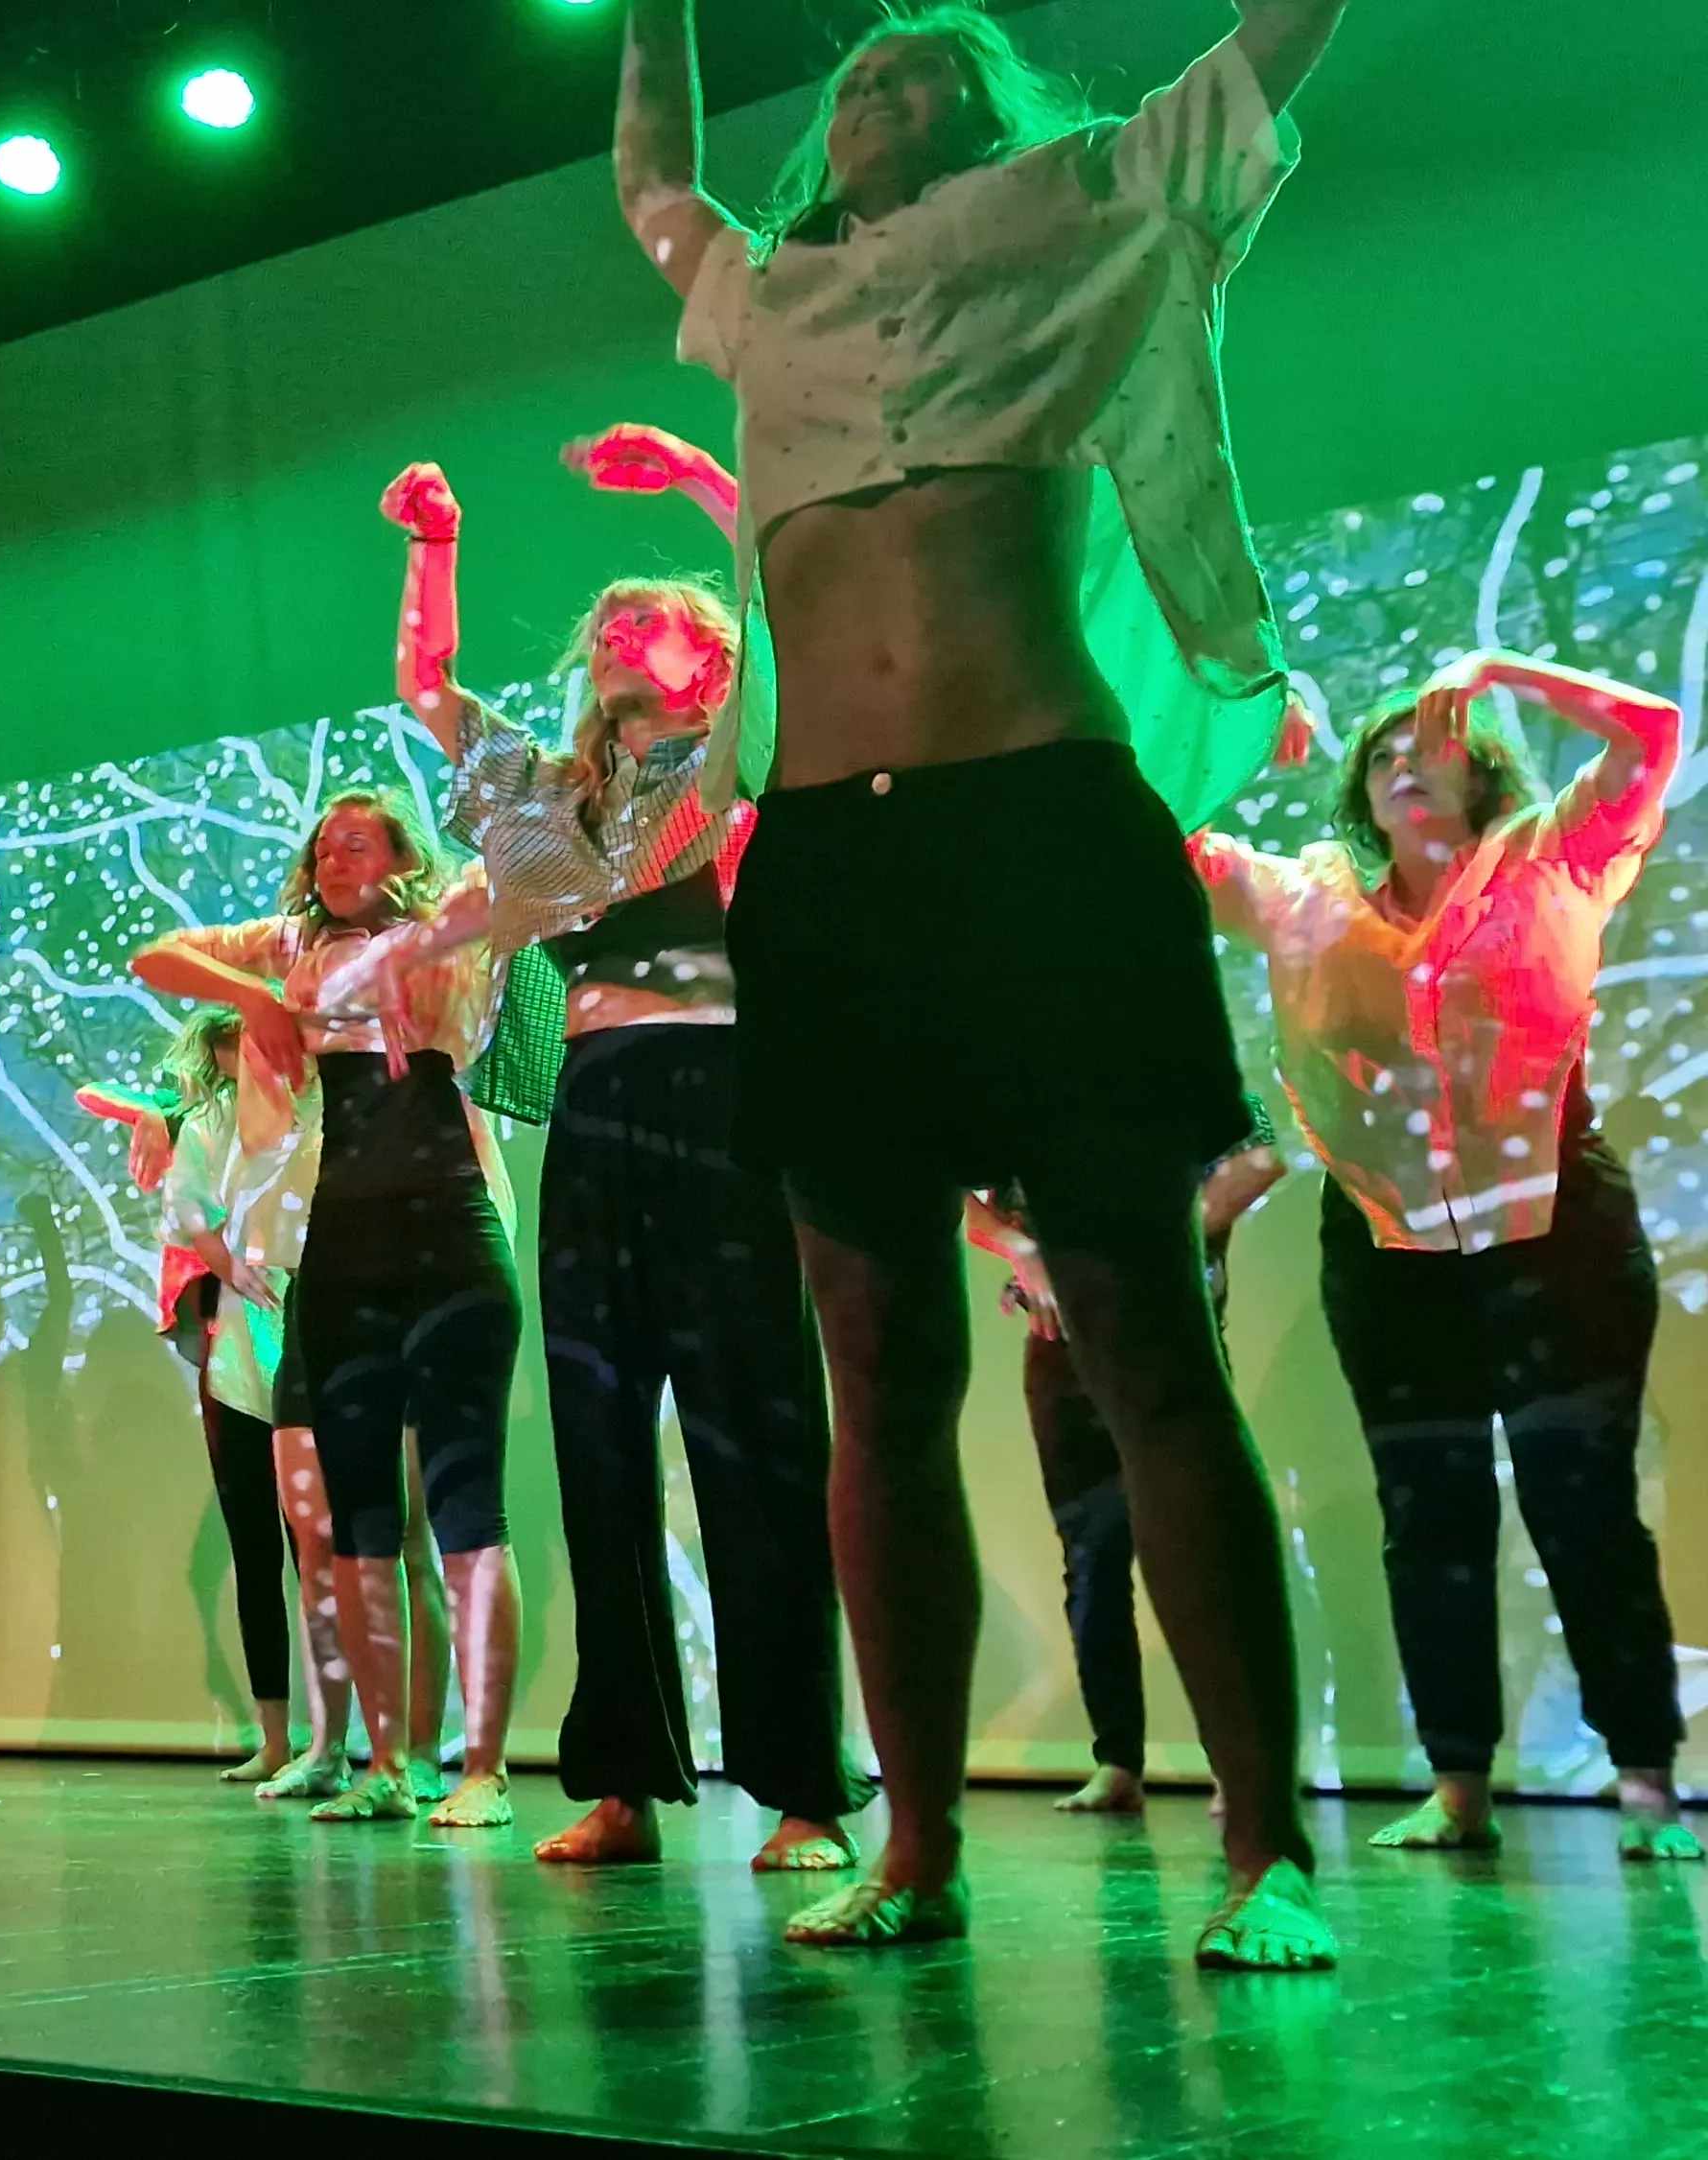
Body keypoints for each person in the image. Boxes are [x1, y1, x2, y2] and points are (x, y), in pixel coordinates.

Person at [616, 0, 1352, 1965]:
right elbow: (651, 182)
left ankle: (1264, 1851)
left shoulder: (1082, 209)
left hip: (1039, 825)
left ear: (994, 103)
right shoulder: (771, 300)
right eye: (856, 72)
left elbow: (1272, 46)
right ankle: (919, 1848)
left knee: (1138, 1329)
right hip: (830, 863)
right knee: (872, 1365)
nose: (879, 82)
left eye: (924, 63)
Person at [390, 441, 870, 1876]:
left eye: (644, 618)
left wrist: (704, 481)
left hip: (720, 1098)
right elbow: (430, 692)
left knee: (753, 1433)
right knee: (596, 1440)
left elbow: (783, 604)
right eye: (603, 624)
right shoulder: (558, 804)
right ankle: (621, 1780)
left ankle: (801, 1787)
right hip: (598, 1112)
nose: (612, 630)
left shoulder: (739, 763)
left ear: (707, 660)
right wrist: (433, 545)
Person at [1194, 650, 1698, 1863]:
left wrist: (1500, 668)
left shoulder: (1555, 853)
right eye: (1382, 754)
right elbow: (1148, 831)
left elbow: (1650, 730)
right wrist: (1246, 723)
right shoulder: (1302, 894)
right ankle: (1457, 1780)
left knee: (1582, 1501)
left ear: (1481, 767)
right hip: (1387, 1243)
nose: (1403, 766)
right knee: (1429, 1512)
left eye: (1429, 746)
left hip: (1558, 1226)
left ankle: (1643, 1777)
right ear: (1360, 790)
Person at [135, 798, 521, 1828]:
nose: (331, 859)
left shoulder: (444, 930)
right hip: (343, 1248)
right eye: (320, 848)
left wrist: (415, 943)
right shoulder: (295, 945)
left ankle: (480, 1769)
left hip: (449, 1232)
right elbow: (155, 956)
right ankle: (383, 1764)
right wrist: (254, 999)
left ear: (401, 855)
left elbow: (504, 887)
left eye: (356, 843)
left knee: (465, 1512)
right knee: (356, 1525)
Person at [966, 1109, 1284, 1815]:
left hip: (1170, 1333)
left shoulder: (1163, 1059)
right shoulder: (1021, 1080)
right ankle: (1117, 1761)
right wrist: (1026, 1251)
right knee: (1090, 1555)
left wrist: (1164, 1243)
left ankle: (1237, 1768)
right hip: (1063, 1348)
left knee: (1203, 1550)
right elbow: (966, 1200)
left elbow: (1264, 1154)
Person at [80, 1010, 349, 1797]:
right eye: (236, 1046)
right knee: (255, 1547)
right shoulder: (207, 1121)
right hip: (237, 1348)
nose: (251, 1058)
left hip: (316, 1324)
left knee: (322, 1546)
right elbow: (189, 1210)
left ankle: (337, 1738)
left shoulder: (322, 1102)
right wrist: (230, 1267)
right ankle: (277, 1735)